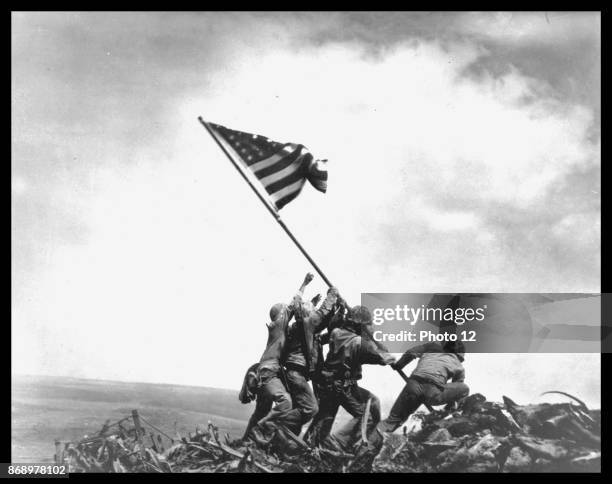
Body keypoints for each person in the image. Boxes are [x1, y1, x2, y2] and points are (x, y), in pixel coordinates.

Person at [304, 305, 395, 451]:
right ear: (361, 325)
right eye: (369, 324)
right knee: (367, 416)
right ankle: (338, 444)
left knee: (327, 416)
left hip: (329, 382)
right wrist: (372, 338)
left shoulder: (336, 332)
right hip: (343, 387)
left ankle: (309, 445)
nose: (372, 326)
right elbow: (386, 358)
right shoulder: (359, 343)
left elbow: (325, 337)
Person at [247, 273, 313, 444]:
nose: (288, 313)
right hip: (269, 371)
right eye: (285, 312)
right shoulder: (278, 325)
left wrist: (312, 303)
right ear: (280, 315)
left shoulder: (280, 329)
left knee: (262, 408)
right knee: (285, 403)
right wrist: (304, 283)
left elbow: (297, 312)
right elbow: (293, 305)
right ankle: (261, 428)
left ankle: (247, 439)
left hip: (269, 371)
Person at [281, 283, 339, 436]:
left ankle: (283, 443)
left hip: (295, 374)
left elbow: (323, 325)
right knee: (310, 408)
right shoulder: (307, 324)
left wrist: (337, 311)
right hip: (296, 374)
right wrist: (332, 295)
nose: (314, 311)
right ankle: (274, 424)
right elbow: (321, 315)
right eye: (312, 310)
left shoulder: (301, 328)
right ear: (307, 315)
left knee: (298, 409)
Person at [377, 340, 469, 433]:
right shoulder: (459, 366)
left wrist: (399, 365)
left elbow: (410, 353)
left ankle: (371, 435)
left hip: (413, 386)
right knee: (464, 389)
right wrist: (449, 409)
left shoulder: (430, 347)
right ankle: (445, 414)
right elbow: (457, 388)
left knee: (392, 421)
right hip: (433, 392)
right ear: (459, 355)